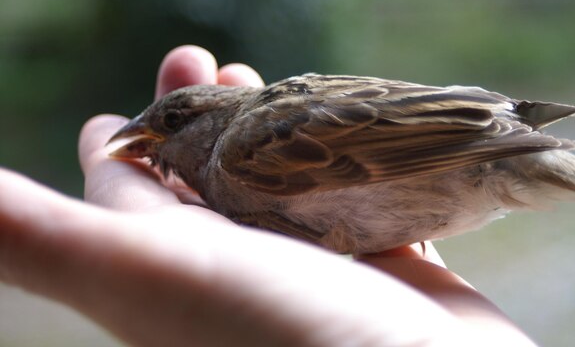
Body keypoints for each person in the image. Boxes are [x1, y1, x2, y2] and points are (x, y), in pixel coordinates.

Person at [0, 46, 537, 346]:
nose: (151, 141)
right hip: (475, 131)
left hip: (461, 156)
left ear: (211, 122)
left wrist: (492, 140)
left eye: (170, 123)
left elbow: (375, 151)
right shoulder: (245, 137)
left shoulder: (242, 150)